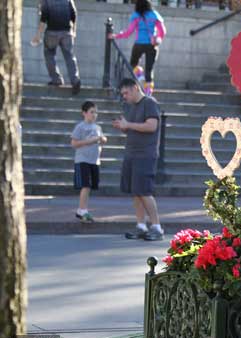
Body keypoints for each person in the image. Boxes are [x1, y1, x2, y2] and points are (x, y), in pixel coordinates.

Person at [113, 78, 164, 241]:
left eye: (126, 93)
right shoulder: (130, 107)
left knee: (144, 191)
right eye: (122, 94)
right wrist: (123, 127)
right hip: (131, 153)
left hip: (145, 154)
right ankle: (141, 225)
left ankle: (156, 226)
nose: (124, 97)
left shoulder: (149, 103)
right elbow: (132, 128)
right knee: (135, 192)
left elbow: (151, 126)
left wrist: (128, 125)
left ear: (135, 88)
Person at [108, 0, 166, 97]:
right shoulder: (154, 15)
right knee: (149, 69)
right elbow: (163, 31)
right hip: (151, 45)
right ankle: (148, 92)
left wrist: (115, 36)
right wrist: (157, 39)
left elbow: (129, 32)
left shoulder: (136, 16)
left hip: (139, 44)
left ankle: (139, 74)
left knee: (133, 64)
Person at [31, 0, 81, 95]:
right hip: (67, 32)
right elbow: (74, 14)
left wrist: (38, 36)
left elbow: (43, 20)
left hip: (52, 32)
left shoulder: (47, 1)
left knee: (49, 54)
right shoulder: (68, 0)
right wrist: (74, 31)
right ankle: (75, 80)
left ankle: (56, 79)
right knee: (69, 56)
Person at [71, 101, 107, 223]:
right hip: (83, 160)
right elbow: (74, 143)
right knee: (85, 185)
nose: (94, 114)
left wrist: (102, 139)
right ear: (84, 113)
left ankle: (83, 208)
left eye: (96, 112)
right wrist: (89, 141)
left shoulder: (98, 128)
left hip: (94, 161)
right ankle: (82, 210)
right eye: (92, 112)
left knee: (90, 186)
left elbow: (102, 138)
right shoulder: (80, 127)